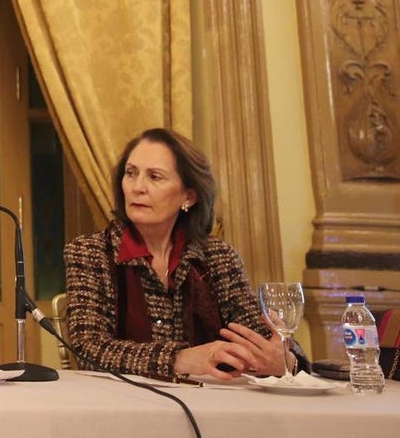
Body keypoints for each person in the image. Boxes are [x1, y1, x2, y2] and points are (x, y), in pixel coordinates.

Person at [63, 127, 307, 383]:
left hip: (211, 408)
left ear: (188, 196)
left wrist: (284, 360)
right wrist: (180, 358)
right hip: (123, 409)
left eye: (155, 177)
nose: (137, 187)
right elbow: (87, 349)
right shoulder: (90, 252)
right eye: (131, 173)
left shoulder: (217, 257)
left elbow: (262, 340)